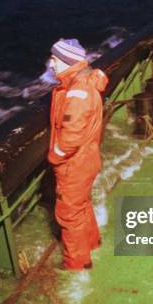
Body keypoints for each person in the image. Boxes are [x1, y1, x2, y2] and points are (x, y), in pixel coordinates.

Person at [46, 38, 108, 270]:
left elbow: (71, 136)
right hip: (87, 160)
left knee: (68, 213)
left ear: (66, 61)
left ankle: (77, 265)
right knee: (81, 204)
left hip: (74, 164)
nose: (51, 65)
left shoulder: (76, 93)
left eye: (54, 60)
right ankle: (92, 244)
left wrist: (55, 156)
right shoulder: (83, 83)